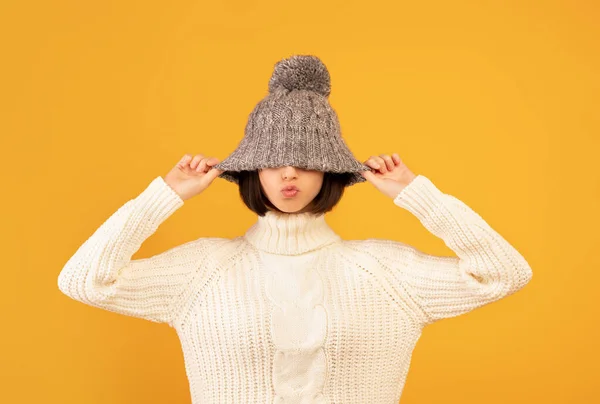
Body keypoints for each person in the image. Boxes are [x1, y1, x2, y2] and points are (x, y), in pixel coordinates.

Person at [57, 55, 533, 404]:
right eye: (274, 162)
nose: (290, 174)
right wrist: (165, 195)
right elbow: (84, 281)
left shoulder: (385, 273)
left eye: (306, 162)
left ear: (328, 172)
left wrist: (417, 193)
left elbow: (504, 274)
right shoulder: (202, 270)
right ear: (252, 171)